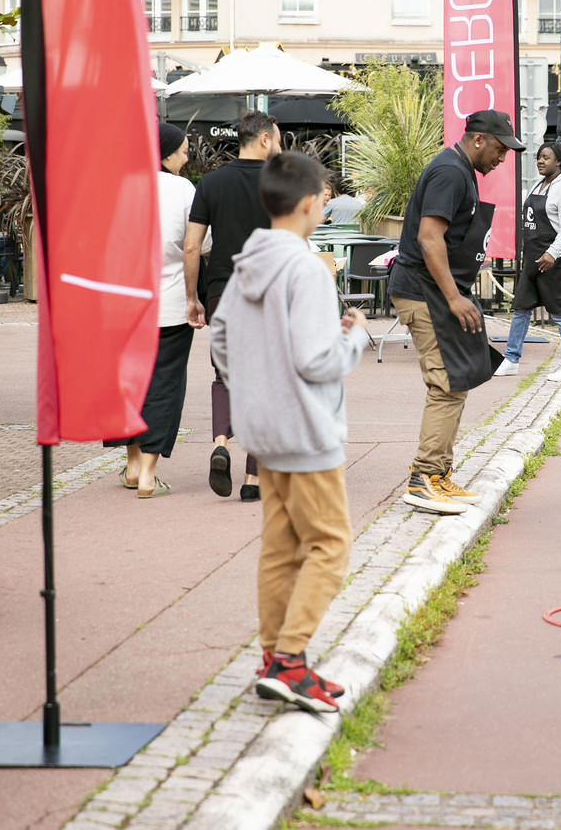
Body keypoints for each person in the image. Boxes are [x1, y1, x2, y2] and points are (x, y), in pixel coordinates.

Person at [209, 151, 369, 714]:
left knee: (280, 549)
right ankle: (291, 662)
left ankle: (274, 655)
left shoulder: (249, 259)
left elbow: (221, 338)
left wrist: (254, 389)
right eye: (325, 197)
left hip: (263, 429)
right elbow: (315, 358)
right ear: (309, 203)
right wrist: (354, 340)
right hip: (305, 429)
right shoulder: (306, 267)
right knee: (330, 545)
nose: (327, 204)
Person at [389, 109, 525, 515]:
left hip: (432, 290)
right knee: (446, 384)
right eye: (500, 149)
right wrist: (453, 297)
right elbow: (429, 239)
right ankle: (424, 479)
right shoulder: (450, 171)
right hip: (424, 291)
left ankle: (439, 473)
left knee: (458, 379)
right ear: (479, 140)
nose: (503, 159)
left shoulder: (460, 170)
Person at [107, 123, 210, 497]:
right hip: (169, 303)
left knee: (128, 381)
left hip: (122, 305)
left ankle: (132, 464)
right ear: (165, 154)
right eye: (183, 151)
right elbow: (199, 245)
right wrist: (193, 297)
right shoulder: (182, 189)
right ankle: (149, 474)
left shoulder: (119, 185)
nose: (186, 157)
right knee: (165, 382)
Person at [184, 110, 282, 501]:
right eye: (277, 139)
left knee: (224, 377)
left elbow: (192, 245)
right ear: (262, 140)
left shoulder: (210, 183)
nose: (279, 147)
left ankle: (220, 443)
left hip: (223, 292)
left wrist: (193, 297)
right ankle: (252, 480)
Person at [494, 139, 561, 382]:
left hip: (560, 257)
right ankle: (511, 359)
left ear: (558, 161)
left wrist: (552, 253)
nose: (540, 161)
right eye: (538, 157)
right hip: (535, 257)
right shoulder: (539, 185)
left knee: (560, 311)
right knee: (521, 307)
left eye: (546, 157)